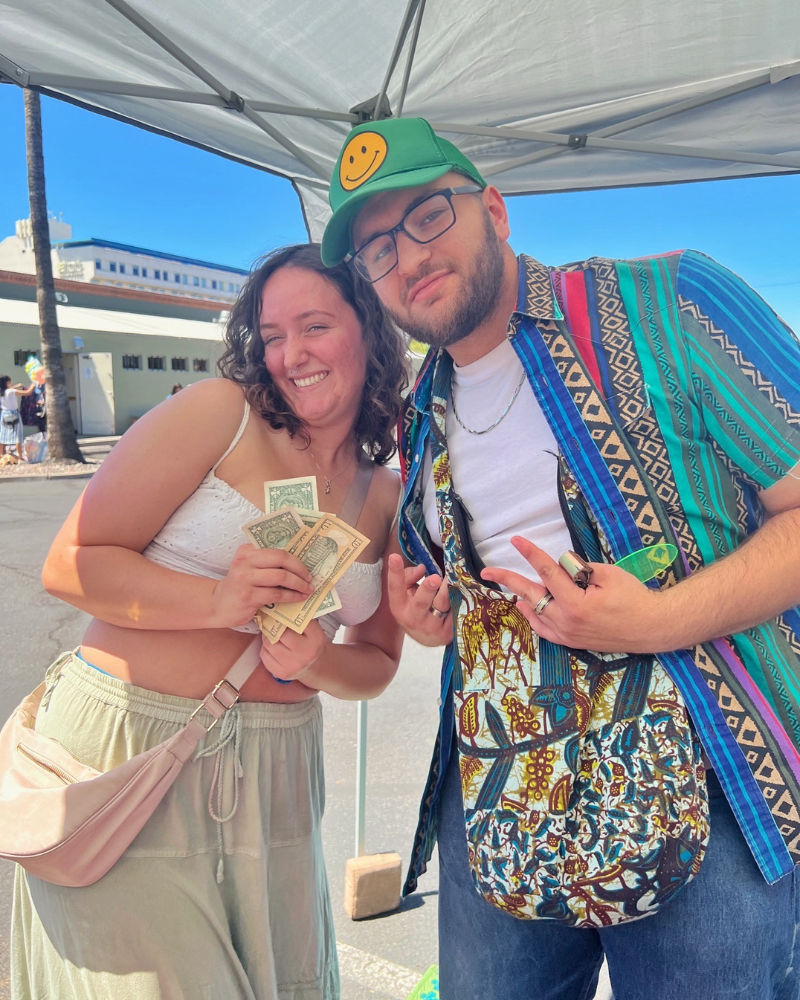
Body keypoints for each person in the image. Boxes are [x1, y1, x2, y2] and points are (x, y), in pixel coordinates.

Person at [320, 118, 800, 1000]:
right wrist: (433, 618)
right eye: (376, 249)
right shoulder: (419, 413)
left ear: (494, 210)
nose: (407, 257)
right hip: (507, 785)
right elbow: (457, 604)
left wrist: (658, 618)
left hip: (708, 769)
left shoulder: (671, 304)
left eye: (428, 216)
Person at [11, 243, 408, 1000]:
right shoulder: (220, 414)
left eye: (315, 325)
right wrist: (217, 603)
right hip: (136, 749)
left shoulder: (384, 493)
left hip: (279, 784)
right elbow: (71, 561)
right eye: (272, 334)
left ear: (368, 330)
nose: (292, 353)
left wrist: (314, 660)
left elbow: (378, 663)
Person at [0, 375, 36, 462]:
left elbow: (8, 390)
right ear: (7, 383)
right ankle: (20, 457)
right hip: (14, 414)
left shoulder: (1, 392)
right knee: (17, 436)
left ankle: (1, 455)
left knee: (2, 436)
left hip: (4, 415)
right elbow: (27, 392)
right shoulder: (12, 391)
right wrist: (34, 384)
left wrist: (16, 386)